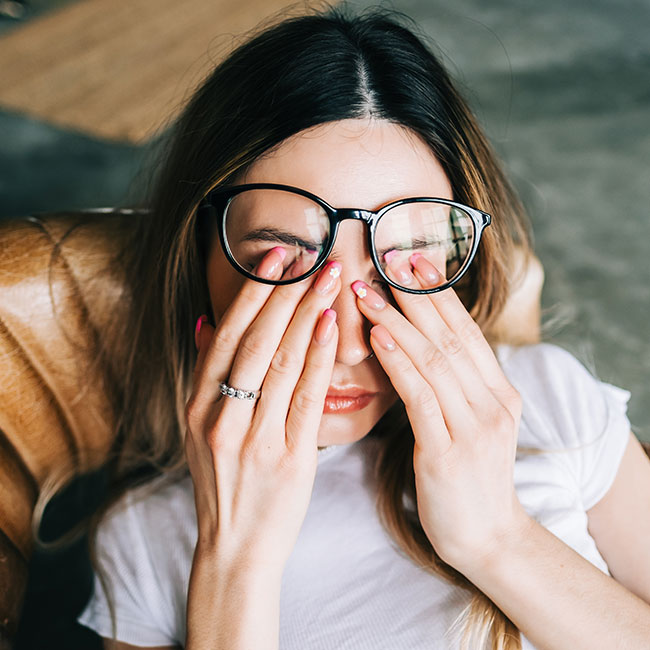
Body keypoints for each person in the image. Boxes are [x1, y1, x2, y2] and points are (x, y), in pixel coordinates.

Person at [75, 6, 650, 649]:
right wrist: (236, 561)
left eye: (406, 259)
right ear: (199, 255)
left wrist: (497, 537)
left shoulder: (548, 401)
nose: (349, 345)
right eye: (285, 262)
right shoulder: (147, 538)